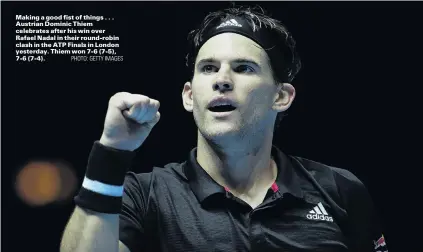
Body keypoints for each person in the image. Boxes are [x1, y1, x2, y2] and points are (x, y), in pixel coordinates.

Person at [60, 5, 388, 252]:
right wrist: (112, 152)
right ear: (189, 95)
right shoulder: (145, 196)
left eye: (243, 68)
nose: (221, 80)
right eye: (208, 68)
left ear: (281, 96)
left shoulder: (340, 191)